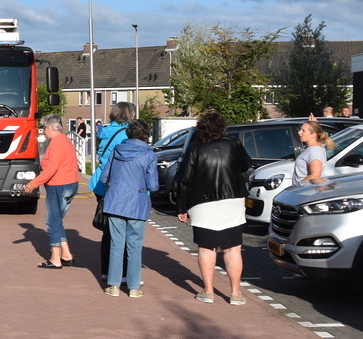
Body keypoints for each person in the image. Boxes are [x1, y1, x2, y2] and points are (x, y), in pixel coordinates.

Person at [175, 111, 252, 306]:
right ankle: (235, 293)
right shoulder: (234, 145)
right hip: (232, 200)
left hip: (202, 202)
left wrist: (181, 207)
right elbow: (246, 165)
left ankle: (208, 291)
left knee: (207, 247)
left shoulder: (195, 148)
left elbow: (184, 180)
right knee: (233, 248)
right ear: (222, 128)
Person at [99, 120, 158, 298]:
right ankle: (134, 287)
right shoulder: (149, 154)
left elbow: (104, 178)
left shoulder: (117, 150)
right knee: (134, 246)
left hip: (115, 202)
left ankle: (114, 285)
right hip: (137, 204)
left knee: (116, 244)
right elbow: (153, 185)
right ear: (146, 135)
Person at [20, 114, 79, 269]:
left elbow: (51, 169)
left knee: (52, 221)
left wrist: (33, 183)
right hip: (69, 183)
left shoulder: (57, 143)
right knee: (57, 220)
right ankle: (66, 254)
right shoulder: (65, 141)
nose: (43, 131)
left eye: (44, 128)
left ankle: (55, 258)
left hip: (58, 185)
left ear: (52, 128)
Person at [88, 102, 137, 282]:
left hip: (101, 183)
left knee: (108, 229)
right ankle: (122, 272)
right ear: (128, 114)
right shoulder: (126, 134)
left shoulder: (107, 131)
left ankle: (106, 270)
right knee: (120, 228)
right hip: (116, 183)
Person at [293, 121, 333, 186]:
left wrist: (296, 186)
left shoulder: (314, 150)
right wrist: (312, 123)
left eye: (303, 130)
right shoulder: (314, 148)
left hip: (305, 192)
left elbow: (315, 176)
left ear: (313, 135)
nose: (299, 132)